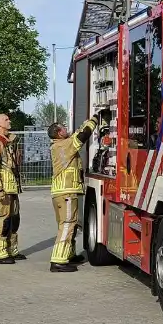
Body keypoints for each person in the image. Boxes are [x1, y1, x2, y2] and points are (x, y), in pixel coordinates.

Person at [46, 109, 109, 273]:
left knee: (70, 224)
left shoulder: (58, 145)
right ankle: (58, 260)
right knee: (67, 225)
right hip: (65, 192)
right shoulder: (64, 145)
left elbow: (76, 134)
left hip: (62, 192)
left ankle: (70, 254)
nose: (67, 129)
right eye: (64, 128)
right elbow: (82, 135)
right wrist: (96, 118)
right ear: (59, 133)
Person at [0, 113, 23, 264]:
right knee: (2, 220)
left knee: (14, 219)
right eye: (6, 120)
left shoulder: (8, 141)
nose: (10, 121)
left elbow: (14, 163)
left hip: (11, 187)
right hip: (2, 188)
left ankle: (11, 249)